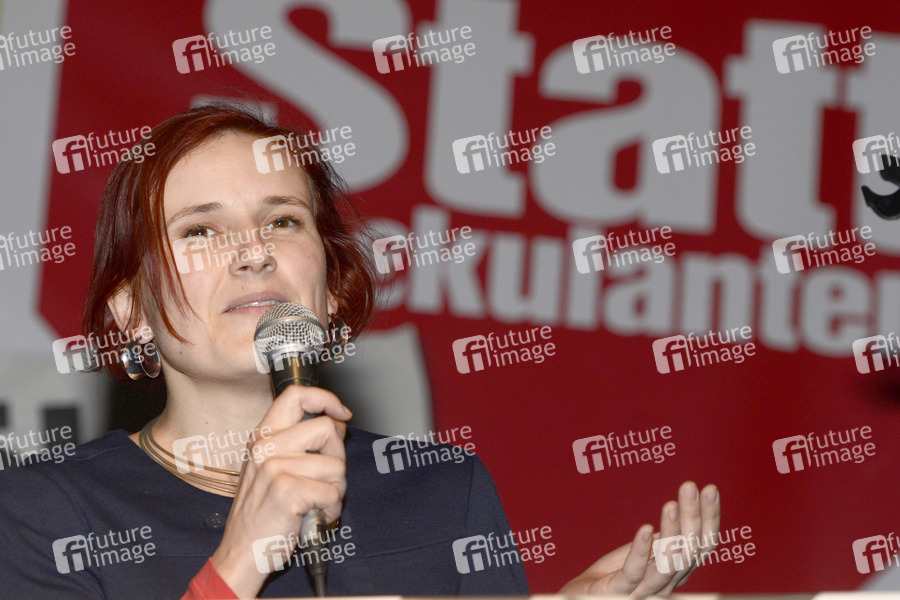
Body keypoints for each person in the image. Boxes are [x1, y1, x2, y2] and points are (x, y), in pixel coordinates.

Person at [0, 104, 720, 599]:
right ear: (130, 314)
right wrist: (238, 563)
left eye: (282, 221)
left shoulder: (444, 492)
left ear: (331, 290)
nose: (253, 253)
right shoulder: (46, 514)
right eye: (200, 231)